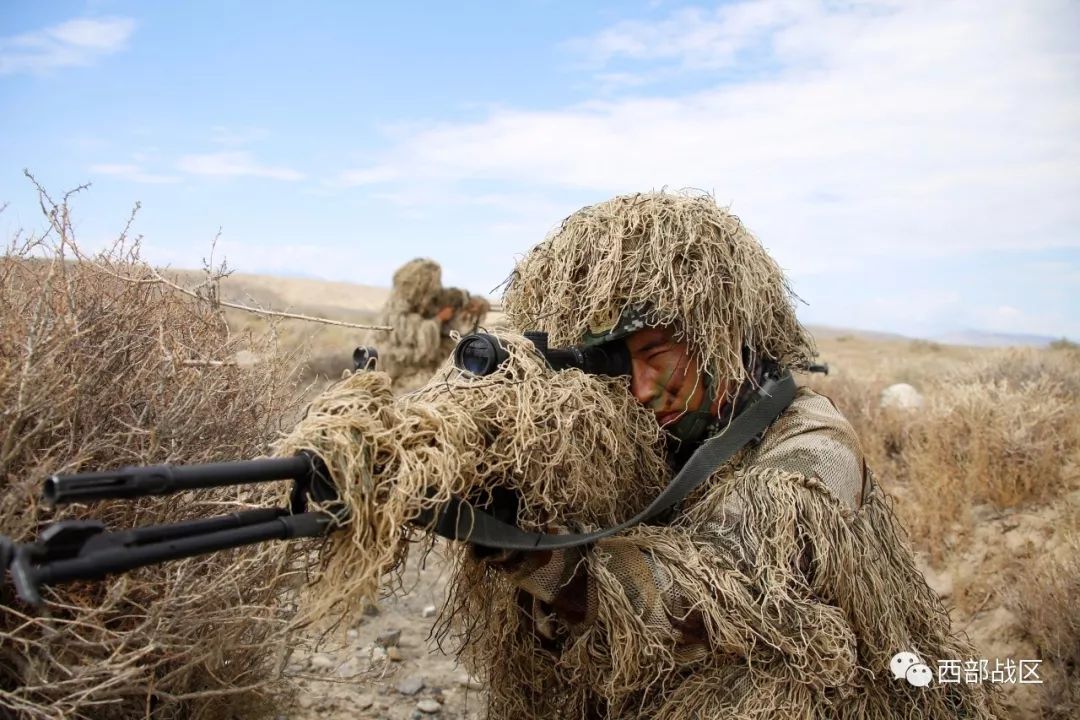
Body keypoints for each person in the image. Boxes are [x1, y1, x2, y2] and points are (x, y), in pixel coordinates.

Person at [467, 191, 1001, 718]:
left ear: (722, 336)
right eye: (616, 365)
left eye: (656, 356)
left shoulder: (812, 444)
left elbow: (703, 606)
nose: (640, 388)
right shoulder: (659, 435)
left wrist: (526, 549)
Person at [369, 258, 489, 393]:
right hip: (400, 370)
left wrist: (475, 302)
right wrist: (439, 319)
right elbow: (411, 336)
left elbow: (452, 297)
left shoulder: (429, 298)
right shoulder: (395, 312)